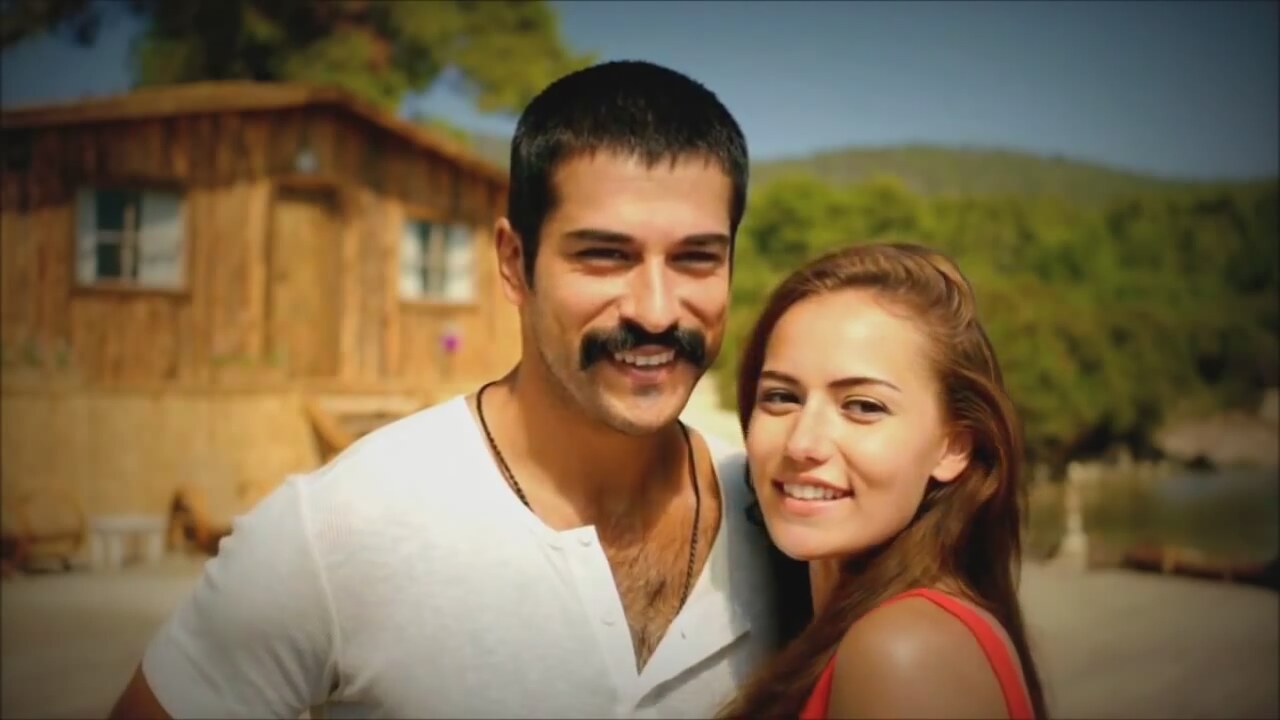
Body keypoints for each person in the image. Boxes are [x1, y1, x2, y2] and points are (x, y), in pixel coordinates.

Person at [109, 60, 779, 719]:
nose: (656, 311)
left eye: (696, 257)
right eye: (604, 255)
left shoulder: (787, 525)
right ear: (514, 264)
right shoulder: (339, 530)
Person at [718, 243, 1048, 719]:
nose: (802, 443)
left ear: (953, 447)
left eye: (863, 406)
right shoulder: (868, 629)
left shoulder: (904, 654)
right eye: (781, 397)